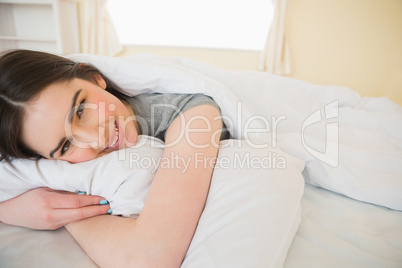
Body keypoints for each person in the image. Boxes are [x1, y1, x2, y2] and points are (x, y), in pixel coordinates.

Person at [0, 49, 229, 267]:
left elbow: (149, 259)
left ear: (94, 78)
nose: (96, 139)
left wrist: (65, 211)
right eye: (67, 145)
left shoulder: (192, 114)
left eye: (80, 110)